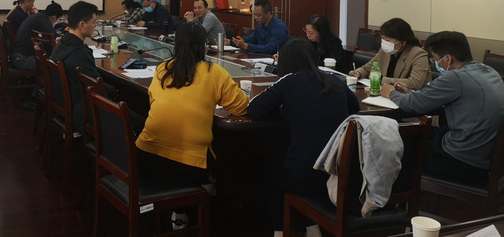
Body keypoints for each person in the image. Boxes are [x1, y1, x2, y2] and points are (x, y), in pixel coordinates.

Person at [136, 21, 248, 230]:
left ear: (176, 45)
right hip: (188, 168)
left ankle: (183, 208)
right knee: (226, 158)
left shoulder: (162, 69)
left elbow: (153, 103)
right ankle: (202, 191)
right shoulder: (215, 73)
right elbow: (241, 108)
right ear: (204, 46)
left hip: (145, 159)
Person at [247, 38, 360, 236]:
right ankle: (311, 225)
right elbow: (354, 107)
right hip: (337, 171)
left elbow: (254, 109)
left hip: (305, 175)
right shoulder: (334, 80)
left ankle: (280, 231)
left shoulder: (288, 81)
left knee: (273, 171)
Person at [383, 31, 504, 182]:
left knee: (404, 138)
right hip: (486, 156)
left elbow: (412, 105)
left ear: (447, 59)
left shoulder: (455, 77)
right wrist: (411, 93)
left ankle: (403, 190)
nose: (435, 64)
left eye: (435, 59)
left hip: (461, 161)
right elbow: (430, 98)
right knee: (423, 133)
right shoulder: (488, 71)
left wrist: (391, 93)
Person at [50, 1, 116, 132]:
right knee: (138, 121)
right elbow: (97, 89)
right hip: (83, 114)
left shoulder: (62, 43)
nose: (95, 25)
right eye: (94, 22)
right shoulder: (81, 53)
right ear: (82, 25)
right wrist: (115, 90)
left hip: (64, 106)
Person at [349, 17, 430, 90]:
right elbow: (368, 68)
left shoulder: (418, 54)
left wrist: (381, 80)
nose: (384, 42)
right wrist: (358, 73)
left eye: (387, 40)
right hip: (387, 94)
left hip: (411, 97)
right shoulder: (384, 51)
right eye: (382, 38)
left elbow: (415, 83)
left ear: (403, 42)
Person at [10, 1, 63, 70]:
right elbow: (53, 39)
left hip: (17, 55)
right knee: (55, 66)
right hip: (21, 59)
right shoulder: (44, 21)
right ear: (54, 17)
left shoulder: (39, 16)